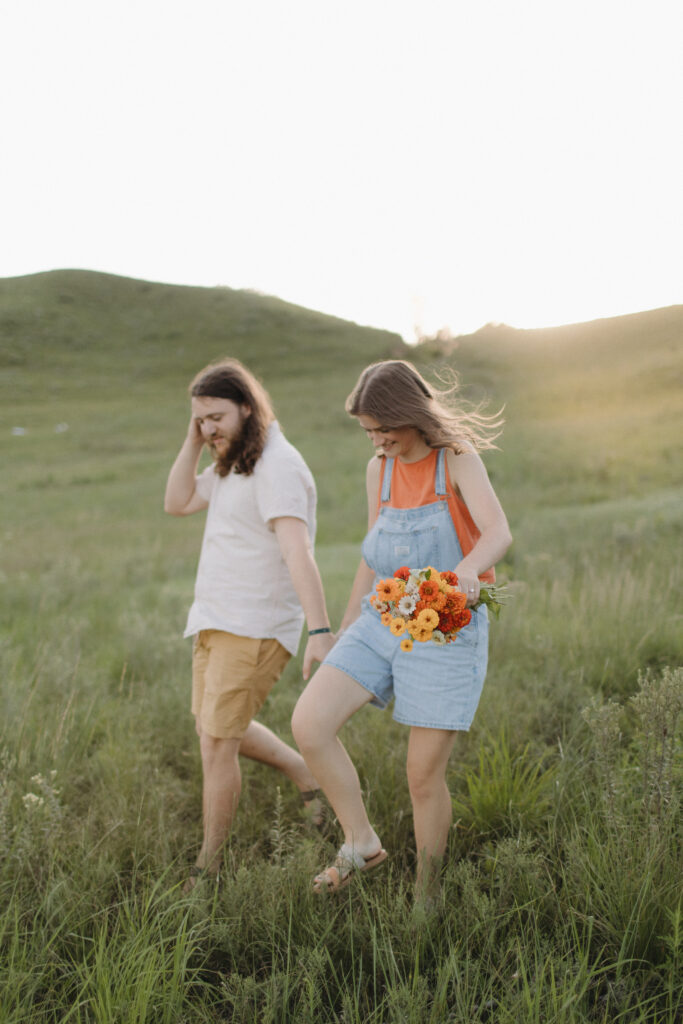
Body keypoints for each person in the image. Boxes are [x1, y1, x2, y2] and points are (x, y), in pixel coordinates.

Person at [292, 359, 512, 904]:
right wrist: (342, 628)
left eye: (382, 429)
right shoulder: (379, 470)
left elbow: (498, 532)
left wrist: (465, 572)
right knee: (309, 723)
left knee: (421, 776)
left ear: (410, 416)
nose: (376, 441)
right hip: (384, 615)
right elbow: (375, 553)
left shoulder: (455, 459)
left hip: (446, 625)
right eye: (367, 431)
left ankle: (426, 894)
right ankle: (361, 841)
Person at [164, 358, 335, 888]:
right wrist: (195, 441)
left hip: (256, 625)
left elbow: (297, 551)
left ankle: (207, 871)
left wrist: (320, 631)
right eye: (200, 419)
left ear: (247, 407)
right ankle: (301, 771)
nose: (208, 427)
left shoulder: (277, 466)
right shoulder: (233, 462)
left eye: (215, 416)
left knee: (217, 742)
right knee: (213, 730)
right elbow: (177, 502)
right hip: (215, 618)